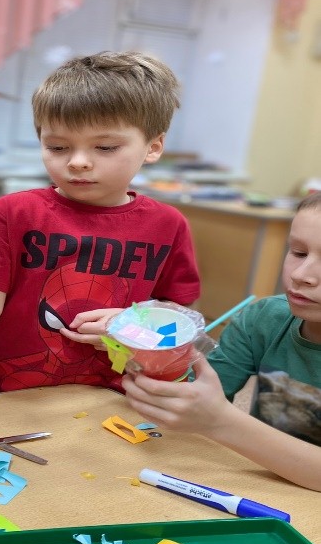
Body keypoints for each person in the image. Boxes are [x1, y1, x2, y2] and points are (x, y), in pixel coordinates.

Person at [0, 52, 201, 392]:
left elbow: (180, 312)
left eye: (105, 147)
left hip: (114, 393)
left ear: (153, 147)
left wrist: (133, 325)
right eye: (57, 147)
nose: (78, 162)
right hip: (7, 394)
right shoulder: (11, 213)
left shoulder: (168, 224)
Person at [123, 193, 321, 491]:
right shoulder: (264, 318)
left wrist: (219, 421)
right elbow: (194, 396)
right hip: (263, 484)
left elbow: (214, 417)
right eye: (299, 252)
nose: (301, 275)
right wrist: (149, 349)